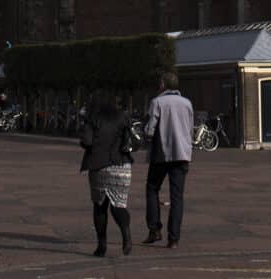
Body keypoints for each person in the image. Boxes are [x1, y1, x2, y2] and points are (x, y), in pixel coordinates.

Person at [79, 93, 136, 258]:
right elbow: (133, 139)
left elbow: (87, 141)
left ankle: (101, 246)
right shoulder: (122, 116)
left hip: (99, 165)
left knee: (100, 206)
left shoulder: (92, 118)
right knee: (119, 204)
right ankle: (126, 233)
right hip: (122, 165)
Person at [143, 73, 193, 247]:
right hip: (182, 154)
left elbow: (150, 130)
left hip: (161, 153)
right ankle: (174, 239)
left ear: (163, 84)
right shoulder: (187, 103)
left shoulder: (157, 102)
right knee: (177, 196)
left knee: (152, 188)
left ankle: (154, 229)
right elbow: (190, 128)